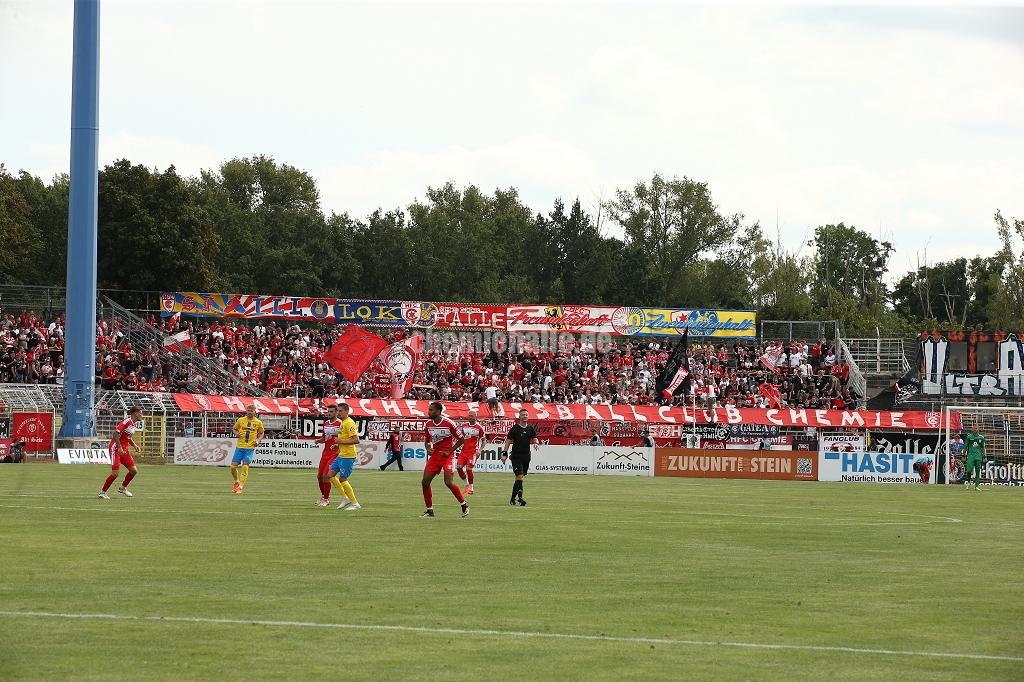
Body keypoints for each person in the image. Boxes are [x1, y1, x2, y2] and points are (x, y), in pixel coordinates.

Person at [420, 401, 469, 518]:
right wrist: (428, 448)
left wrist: (450, 451)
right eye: (429, 409)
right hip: (435, 456)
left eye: (431, 410)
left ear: (438, 411)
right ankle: (429, 510)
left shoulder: (449, 423)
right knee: (425, 482)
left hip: (448, 456)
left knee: (448, 482)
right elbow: (427, 441)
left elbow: (461, 439)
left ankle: (464, 505)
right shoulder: (428, 424)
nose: (429, 412)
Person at [98, 405, 143, 499]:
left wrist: (134, 445)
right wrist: (119, 447)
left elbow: (128, 437)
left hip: (124, 449)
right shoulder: (126, 421)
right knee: (115, 473)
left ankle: (122, 488)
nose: (141, 414)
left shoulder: (133, 424)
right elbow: (115, 433)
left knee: (133, 470)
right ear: (135, 413)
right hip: (115, 448)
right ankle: (102, 492)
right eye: (140, 412)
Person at [329, 402, 362, 510]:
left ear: (347, 411)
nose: (338, 413)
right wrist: (337, 444)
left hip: (348, 456)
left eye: (340, 411)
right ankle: (345, 497)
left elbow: (356, 440)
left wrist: (340, 441)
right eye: (337, 411)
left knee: (343, 479)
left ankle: (355, 503)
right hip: (341, 454)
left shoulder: (349, 423)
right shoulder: (343, 423)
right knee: (330, 475)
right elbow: (344, 438)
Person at [502, 409, 538, 507]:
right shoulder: (515, 428)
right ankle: (520, 498)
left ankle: (513, 498)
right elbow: (508, 441)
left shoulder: (531, 428)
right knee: (520, 477)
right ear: (519, 417)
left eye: (526, 415)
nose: (525, 416)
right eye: (523, 415)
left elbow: (535, 438)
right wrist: (504, 453)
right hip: (516, 456)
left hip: (526, 456)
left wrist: (536, 443)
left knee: (520, 478)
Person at [230, 404, 264, 494]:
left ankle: (240, 487)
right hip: (240, 447)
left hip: (249, 448)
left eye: (251, 411)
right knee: (233, 467)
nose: (249, 412)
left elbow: (261, 433)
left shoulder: (258, 422)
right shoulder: (241, 420)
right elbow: (234, 429)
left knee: (245, 466)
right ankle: (236, 482)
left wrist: (258, 440)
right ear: (246, 411)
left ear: (254, 412)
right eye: (248, 410)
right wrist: (236, 434)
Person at [314, 403, 341, 507]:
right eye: (328, 411)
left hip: (335, 454)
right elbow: (324, 438)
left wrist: (339, 446)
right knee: (319, 476)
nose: (329, 413)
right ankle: (323, 496)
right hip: (325, 453)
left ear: (336, 412)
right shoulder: (326, 423)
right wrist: (318, 441)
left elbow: (344, 438)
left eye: (331, 411)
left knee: (326, 476)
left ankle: (326, 499)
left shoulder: (340, 423)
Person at [456, 408, 485, 495]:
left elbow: (484, 441)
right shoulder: (464, 426)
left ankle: (471, 488)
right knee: (459, 467)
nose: (470, 417)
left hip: (473, 451)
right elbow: (460, 437)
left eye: (472, 416)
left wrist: (479, 450)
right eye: (469, 415)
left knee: (469, 468)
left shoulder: (479, 428)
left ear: (476, 417)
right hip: (464, 451)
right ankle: (467, 484)